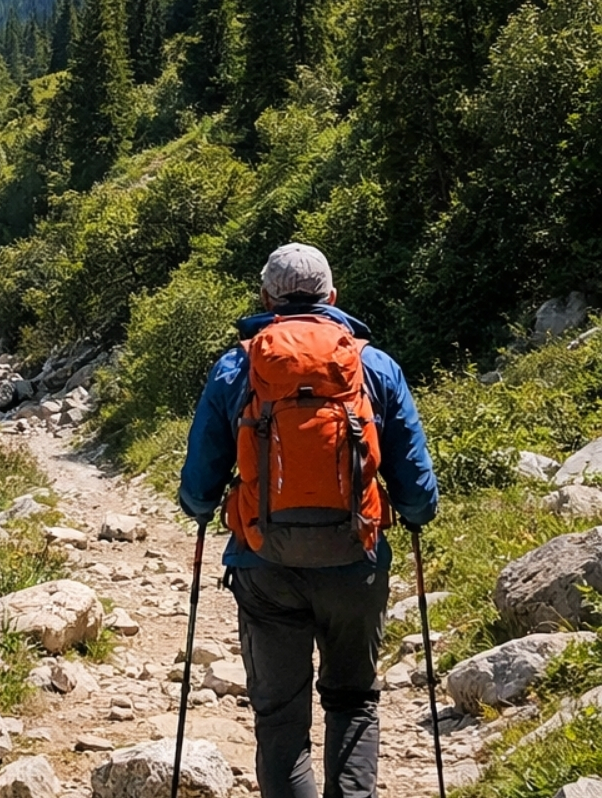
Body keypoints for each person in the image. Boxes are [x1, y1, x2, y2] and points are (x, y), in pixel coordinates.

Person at [178, 243, 439, 798]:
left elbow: (199, 488)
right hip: (354, 561)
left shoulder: (237, 366)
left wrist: (202, 509)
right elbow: (418, 491)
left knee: (279, 717)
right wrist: (412, 516)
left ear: (267, 298)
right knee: (353, 701)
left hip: (264, 562)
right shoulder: (374, 366)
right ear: (332, 298)